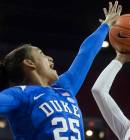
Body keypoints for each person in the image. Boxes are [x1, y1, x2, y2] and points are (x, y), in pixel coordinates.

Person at [0, 1, 122, 140]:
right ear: (29, 63)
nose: (50, 58)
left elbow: (86, 54)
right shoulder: (20, 95)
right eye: (41, 53)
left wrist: (105, 26)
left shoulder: (64, 88)